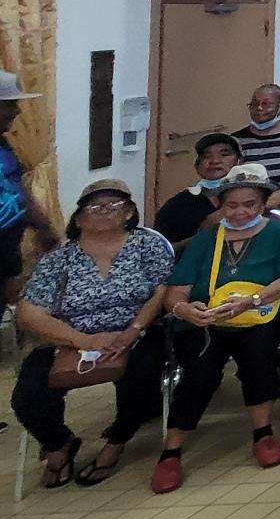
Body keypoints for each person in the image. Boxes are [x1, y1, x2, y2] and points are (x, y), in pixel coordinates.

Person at [11, 179, 172, 489]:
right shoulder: (59, 259)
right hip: (71, 338)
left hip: (135, 332)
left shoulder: (147, 245)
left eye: (114, 206)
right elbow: (30, 310)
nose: (104, 212)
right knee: (28, 396)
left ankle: (117, 440)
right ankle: (60, 444)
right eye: (95, 207)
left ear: (128, 213)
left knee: (144, 374)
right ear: (79, 217)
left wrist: (132, 330)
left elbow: (161, 290)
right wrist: (81, 340)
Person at [154, 164, 280, 492]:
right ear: (221, 205)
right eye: (231, 205)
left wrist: (253, 300)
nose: (239, 212)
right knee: (199, 368)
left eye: (249, 205)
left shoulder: (277, 232)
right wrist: (184, 309)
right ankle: (171, 450)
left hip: (261, 312)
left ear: (263, 204)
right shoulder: (206, 240)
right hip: (210, 317)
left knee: (259, 356)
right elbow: (178, 289)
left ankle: (263, 433)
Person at [1, 70, 56, 305]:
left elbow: (18, 190)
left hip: (6, 252)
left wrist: (43, 226)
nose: (18, 111)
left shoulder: (3, 144)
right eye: (10, 104)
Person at [151, 132, 240, 254]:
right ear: (197, 166)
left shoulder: (256, 199)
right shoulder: (178, 206)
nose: (215, 161)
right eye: (206, 156)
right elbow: (160, 253)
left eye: (224, 154)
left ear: (239, 162)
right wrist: (202, 235)